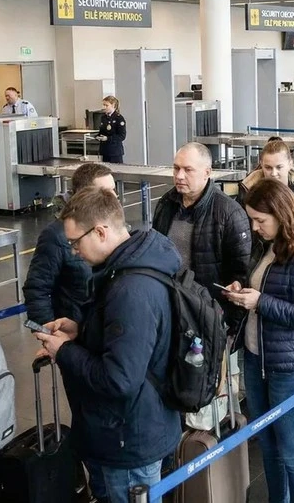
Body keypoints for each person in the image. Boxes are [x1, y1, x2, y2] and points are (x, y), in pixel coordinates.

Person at [34, 188, 182, 502]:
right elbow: (123, 340)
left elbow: (119, 379)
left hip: (129, 440)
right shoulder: (126, 269)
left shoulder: (130, 289)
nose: (73, 251)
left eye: (75, 242)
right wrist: (81, 330)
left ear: (100, 232)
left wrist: (64, 351)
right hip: (127, 430)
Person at [224, 179, 294, 503]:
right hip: (257, 357)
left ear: (281, 214)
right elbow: (262, 282)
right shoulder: (266, 244)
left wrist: (260, 303)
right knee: (268, 443)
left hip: (293, 366)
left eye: (260, 220)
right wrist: (242, 288)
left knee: (292, 449)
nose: (255, 228)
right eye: (252, 220)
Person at [153, 143, 252, 326]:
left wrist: (228, 325)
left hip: (207, 313)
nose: (179, 176)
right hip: (170, 305)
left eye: (188, 170)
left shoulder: (229, 214)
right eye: (176, 168)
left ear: (207, 172)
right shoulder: (166, 203)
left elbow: (241, 273)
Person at [23, 163, 115, 325]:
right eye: (106, 193)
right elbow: (37, 290)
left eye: (114, 190)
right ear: (83, 195)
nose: (114, 197)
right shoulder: (56, 236)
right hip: (75, 333)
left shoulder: (113, 228)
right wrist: (50, 332)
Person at [236, 140, 294, 253]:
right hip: (258, 259)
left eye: (279, 167)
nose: (274, 173)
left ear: (290, 164)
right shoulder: (249, 196)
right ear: (261, 165)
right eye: (268, 168)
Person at [97, 95, 127, 163]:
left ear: (113, 105)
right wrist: (98, 136)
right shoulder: (103, 117)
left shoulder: (119, 118)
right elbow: (102, 131)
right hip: (105, 151)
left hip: (115, 152)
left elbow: (122, 136)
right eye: (103, 105)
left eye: (106, 105)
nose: (104, 107)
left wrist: (108, 138)